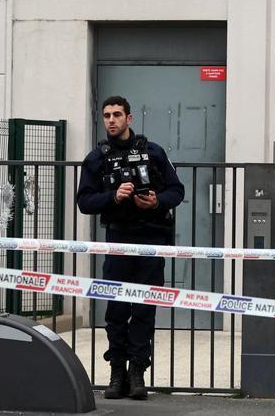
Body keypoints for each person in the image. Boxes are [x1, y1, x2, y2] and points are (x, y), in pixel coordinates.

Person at [77, 96, 184, 400]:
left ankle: (138, 371)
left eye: (117, 115)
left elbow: (177, 190)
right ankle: (117, 371)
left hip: (152, 239)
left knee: (145, 308)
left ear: (129, 118)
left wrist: (156, 201)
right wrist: (113, 196)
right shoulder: (97, 158)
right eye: (107, 115)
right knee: (116, 308)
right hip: (119, 239)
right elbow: (84, 202)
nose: (111, 120)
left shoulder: (154, 152)